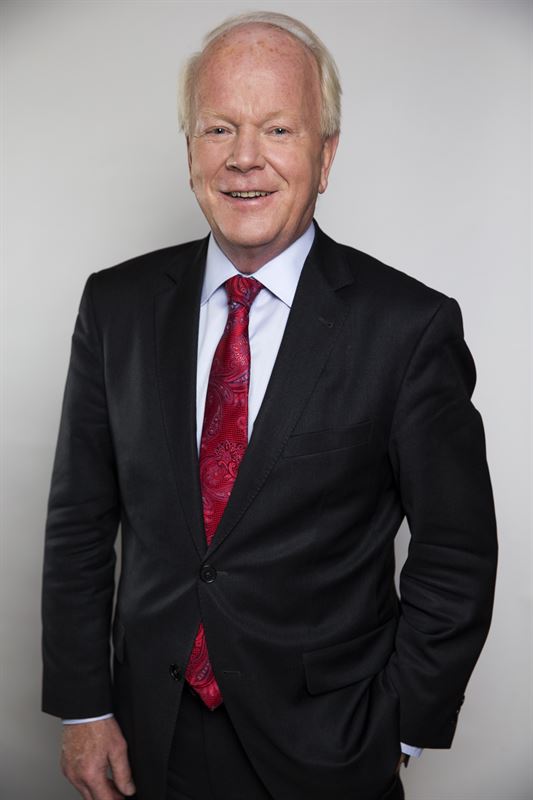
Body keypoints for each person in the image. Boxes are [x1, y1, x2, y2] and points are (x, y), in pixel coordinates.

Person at [42, 11, 498, 800]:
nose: (243, 157)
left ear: (326, 156)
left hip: (330, 744)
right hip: (149, 734)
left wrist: (397, 727)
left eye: (278, 129)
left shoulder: (407, 327)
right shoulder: (115, 306)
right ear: (190, 149)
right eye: (218, 127)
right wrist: (85, 707)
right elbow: (80, 520)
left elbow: (455, 552)